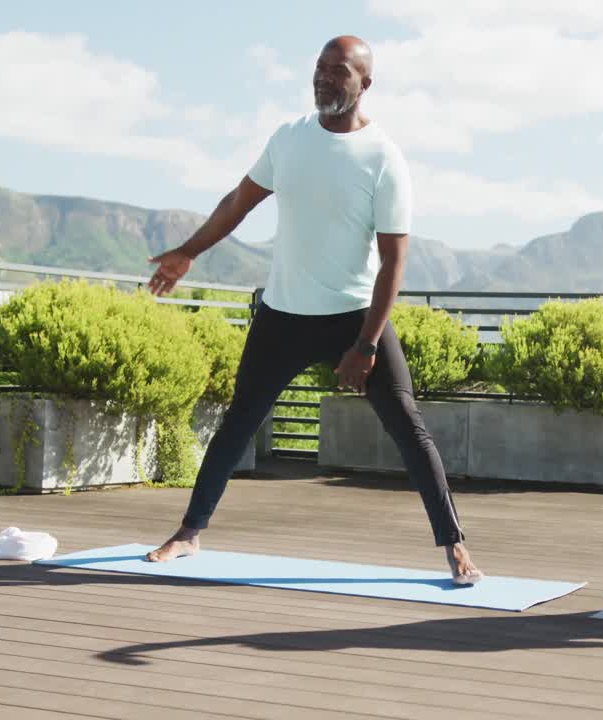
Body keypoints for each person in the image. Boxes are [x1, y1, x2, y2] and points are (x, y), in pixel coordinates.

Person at [142, 35, 483, 585]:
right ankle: (188, 533)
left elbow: (394, 263)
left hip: (353, 318)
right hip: (282, 315)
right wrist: (188, 251)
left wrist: (366, 345)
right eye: (320, 68)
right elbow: (238, 201)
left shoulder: (384, 159)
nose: (325, 78)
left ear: (364, 84)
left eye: (339, 71)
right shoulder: (289, 138)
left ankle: (455, 546)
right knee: (238, 425)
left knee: (410, 430)